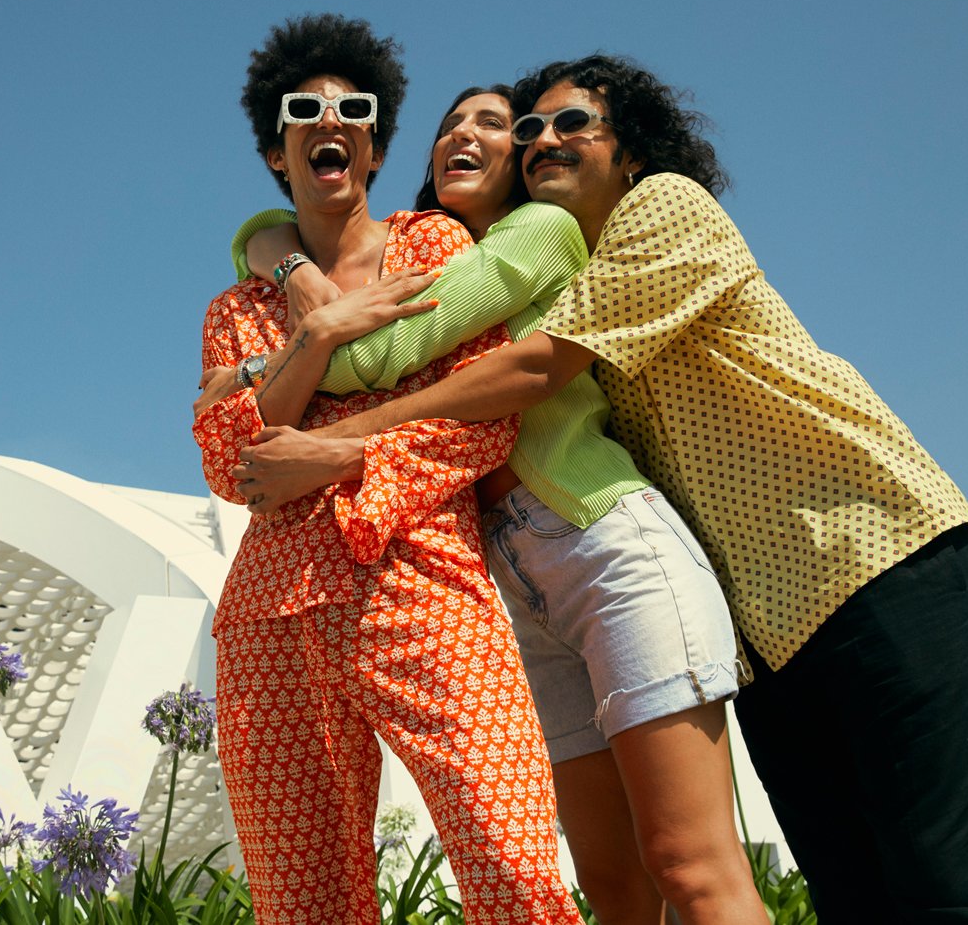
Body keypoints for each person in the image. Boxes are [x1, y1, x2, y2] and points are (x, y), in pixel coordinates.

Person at [230, 54, 968, 922]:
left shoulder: (647, 212)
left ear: (634, 148)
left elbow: (505, 366)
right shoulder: (520, 252)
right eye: (525, 129)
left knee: (966, 882)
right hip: (757, 615)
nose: (535, 139)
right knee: (841, 884)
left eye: (564, 124)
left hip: (869, 551)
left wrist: (296, 392)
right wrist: (285, 259)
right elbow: (294, 231)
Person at [213, 84, 768, 924]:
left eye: (498, 126)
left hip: (545, 552)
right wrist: (290, 272)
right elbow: (229, 457)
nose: (465, 137)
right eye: (451, 124)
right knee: (606, 883)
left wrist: (280, 380)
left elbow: (451, 389)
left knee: (629, 869)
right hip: (467, 574)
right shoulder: (263, 290)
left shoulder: (496, 239)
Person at [192, 14, 583, 924]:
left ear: (372, 145)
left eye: (355, 111)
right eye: (304, 112)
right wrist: (320, 329)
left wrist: (325, 453)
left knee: (513, 866)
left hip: (421, 580)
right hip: (270, 617)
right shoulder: (234, 307)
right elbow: (229, 461)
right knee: (306, 905)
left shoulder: (434, 248)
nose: (331, 122)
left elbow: (481, 416)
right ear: (275, 151)